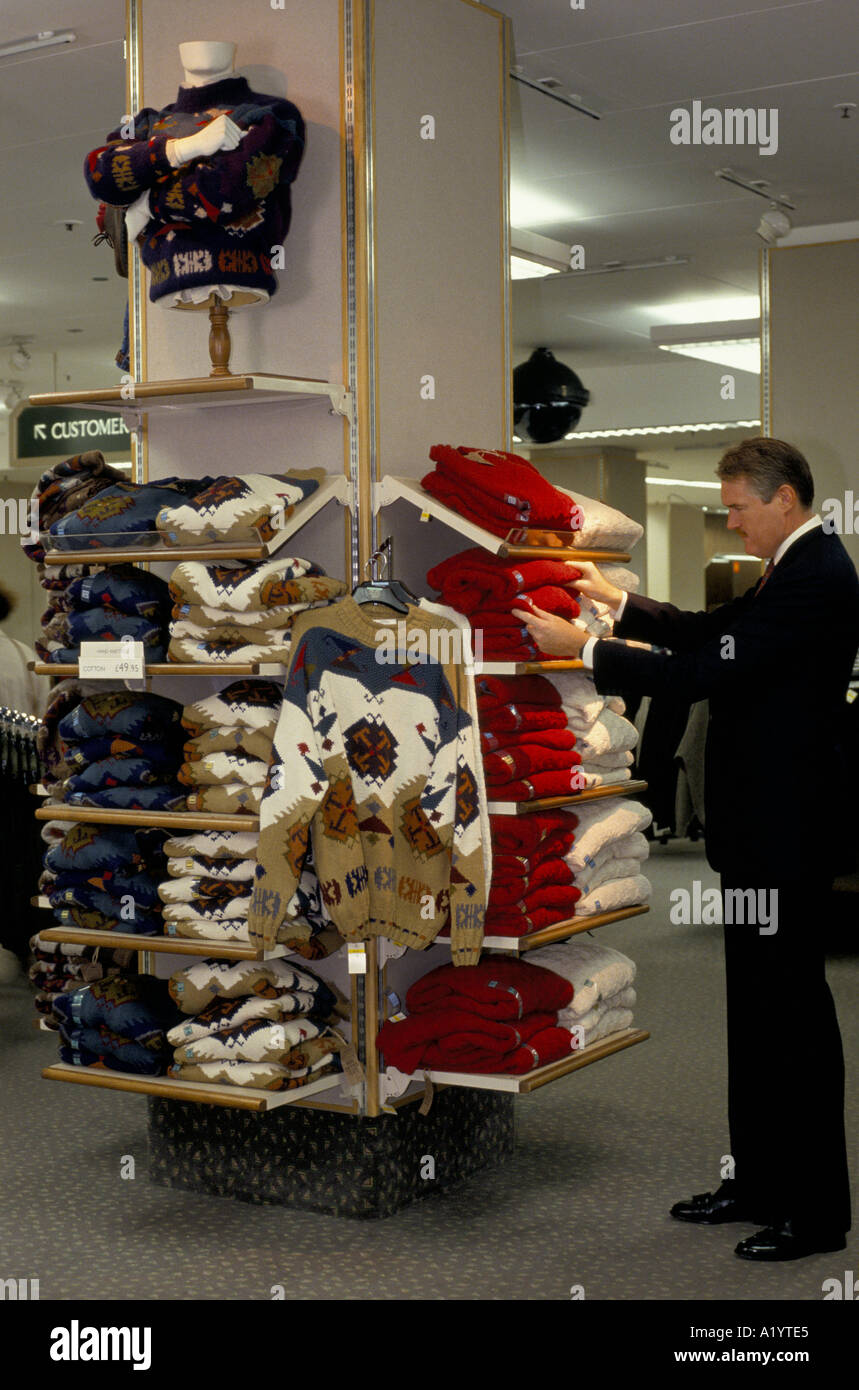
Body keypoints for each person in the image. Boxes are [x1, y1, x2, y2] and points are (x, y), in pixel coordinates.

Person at [513, 437, 859, 1262]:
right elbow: (707, 628)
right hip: (756, 836)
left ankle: (813, 1216)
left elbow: (705, 671)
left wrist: (586, 650)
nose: (729, 518)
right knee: (755, 1014)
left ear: (784, 499)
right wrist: (614, 602)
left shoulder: (818, 577)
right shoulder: (787, 568)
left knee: (794, 1024)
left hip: (786, 837)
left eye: (737, 505)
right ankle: (757, 1181)